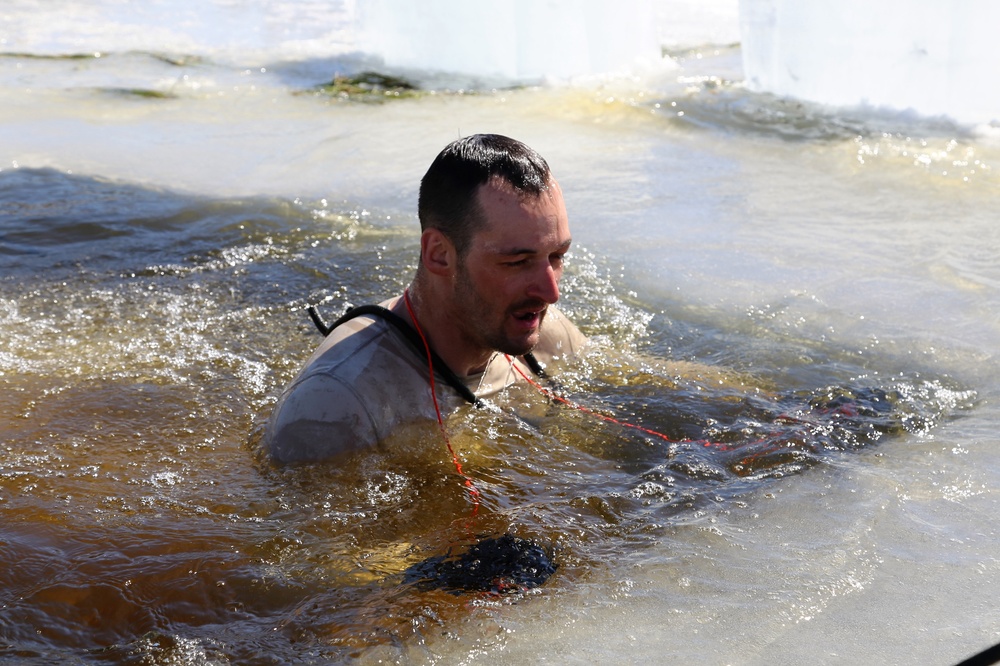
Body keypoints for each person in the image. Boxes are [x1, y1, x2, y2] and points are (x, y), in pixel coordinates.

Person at [264, 134, 587, 463]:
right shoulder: (337, 407)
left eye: (557, 256)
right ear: (440, 254)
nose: (551, 292)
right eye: (517, 262)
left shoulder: (543, 331)